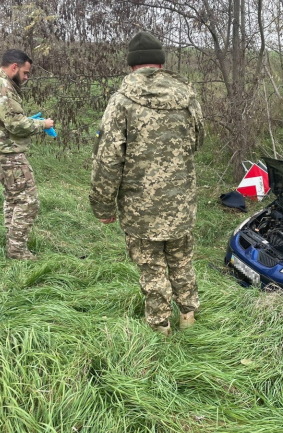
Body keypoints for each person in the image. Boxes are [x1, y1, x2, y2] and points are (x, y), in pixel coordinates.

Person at [90, 31, 205, 337]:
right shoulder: (187, 98)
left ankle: (160, 330)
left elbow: (108, 160)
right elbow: (198, 141)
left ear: (132, 66)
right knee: (182, 263)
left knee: (152, 270)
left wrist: (102, 205)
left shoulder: (121, 102)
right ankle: (189, 318)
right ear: (161, 62)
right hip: (180, 203)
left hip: (140, 209)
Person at [0, 49, 55, 260]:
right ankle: (17, 250)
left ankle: (12, 241)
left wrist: (24, 118)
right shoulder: (3, 86)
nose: (27, 77)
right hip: (7, 151)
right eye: (25, 72)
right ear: (14, 67)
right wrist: (42, 124)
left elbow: (0, 118)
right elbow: (15, 124)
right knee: (28, 200)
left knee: (13, 197)